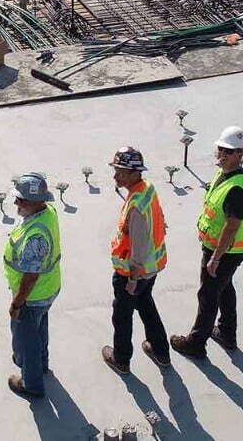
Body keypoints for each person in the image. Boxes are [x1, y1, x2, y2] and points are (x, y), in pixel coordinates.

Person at [171, 127, 243, 359]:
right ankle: (227, 333)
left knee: (208, 294)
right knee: (224, 287)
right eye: (221, 149)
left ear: (240, 154)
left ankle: (196, 342)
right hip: (223, 249)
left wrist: (215, 257)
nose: (222, 155)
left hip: (225, 251)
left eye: (229, 152)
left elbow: (231, 226)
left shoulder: (235, 189)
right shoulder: (225, 176)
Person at [102, 147, 171, 374]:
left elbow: (139, 246)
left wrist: (132, 278)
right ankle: (161, 351)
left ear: (134, 173)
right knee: (146, 305)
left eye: (120, 172)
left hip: (133, 274)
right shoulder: (147, 190)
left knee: (122, 316)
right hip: (151, 269)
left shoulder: (136, 206)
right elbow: (159, 217)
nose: (115, 176)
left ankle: (121, 359)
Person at [5, 172, 62, 398]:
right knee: (39, 328)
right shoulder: (48, 213)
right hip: (48, 289)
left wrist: (17, 303)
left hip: (33, 295)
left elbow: (30, 276)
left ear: (37, 202)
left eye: (21, 200)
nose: (16, 203)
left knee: (26, 339)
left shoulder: (35, 235)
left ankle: (31, 383)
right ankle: (41, 364)